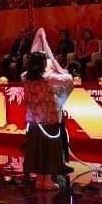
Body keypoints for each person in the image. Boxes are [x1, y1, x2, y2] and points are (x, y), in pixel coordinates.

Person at [18, 51, 73, 189]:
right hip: (49, 119)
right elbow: (69, 79)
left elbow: (28, 73)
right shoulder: (50, 78)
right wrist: (55, 65)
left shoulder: (24, 77)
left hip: (33, 121)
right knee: (49, 151)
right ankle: (47, 180)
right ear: (44, 64)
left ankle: (39, 180)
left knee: (37, 150)